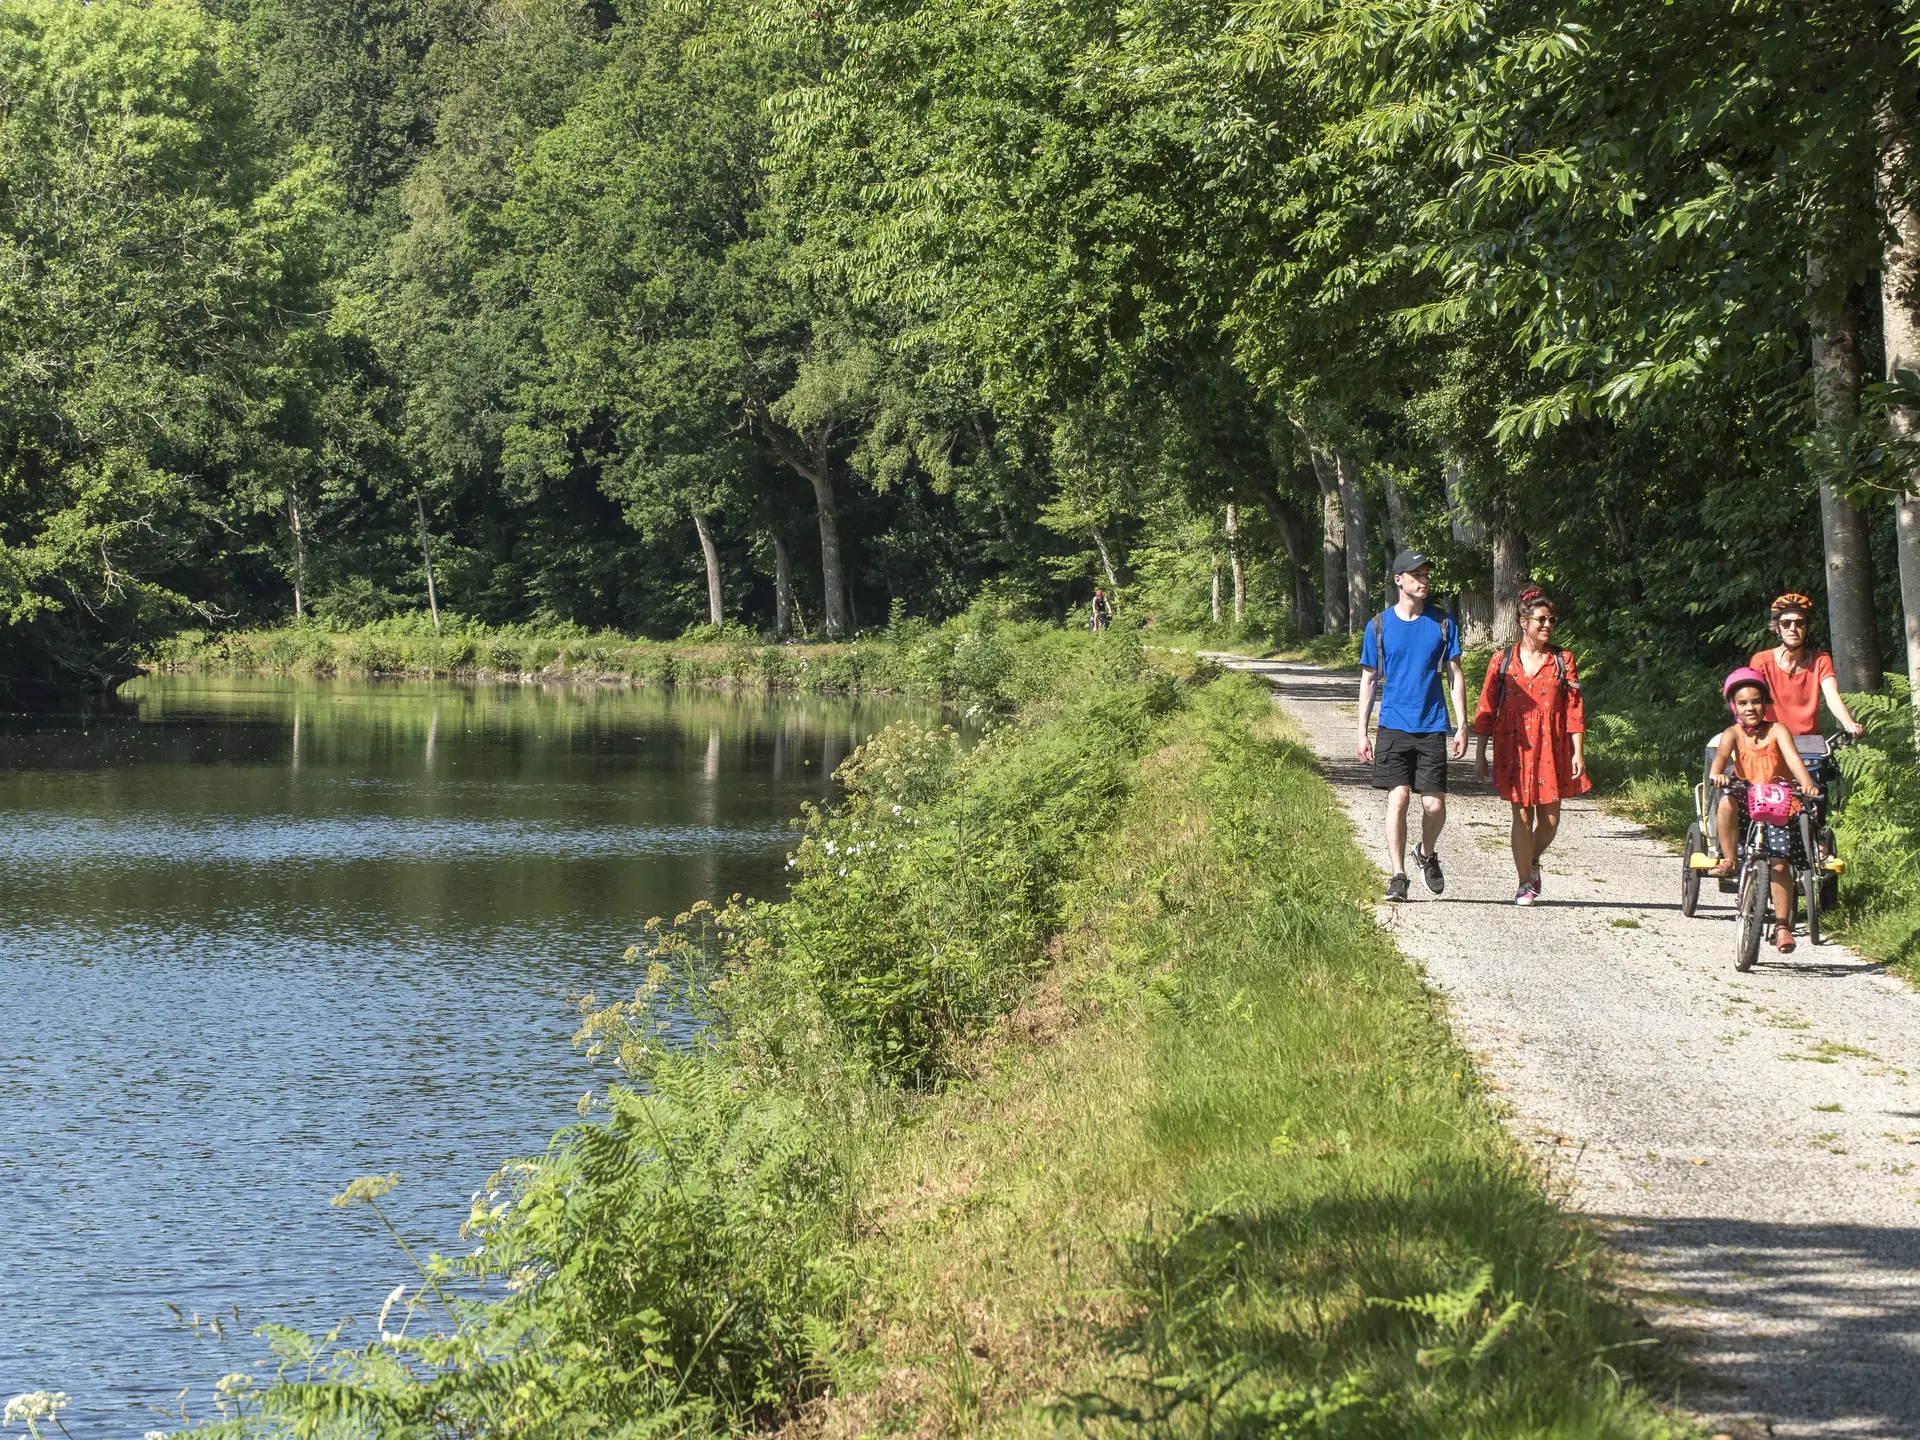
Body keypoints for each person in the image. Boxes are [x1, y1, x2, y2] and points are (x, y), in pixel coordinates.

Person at [1356, 551, 1467, 902]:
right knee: (1399, 797)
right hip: (1393, 725)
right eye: (1415, 574)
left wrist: (1462, 725)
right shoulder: (1378, 625)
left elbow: (1455, 675)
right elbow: (1369, 679)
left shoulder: (1443, 623)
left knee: (1434, 806)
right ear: (1398, 580)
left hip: (1432, 724)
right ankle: (1398, 875)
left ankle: (1425, 852)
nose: (1423, 580)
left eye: (1426, 574)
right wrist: (1362, 731)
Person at [1471, 587, 1590, 905]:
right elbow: (1486, 708)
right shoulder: (1502, 661)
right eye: (1541, 619)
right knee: (1522, 817)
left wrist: (1579, 751)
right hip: (1515, 748)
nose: (1548, 624)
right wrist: (1480, 753)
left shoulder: (1563, 660)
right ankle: (1525, 882)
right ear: (1523, 621)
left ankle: (1532, 859)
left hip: (1553, 747)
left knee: (1550, 820)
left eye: (1552, 619)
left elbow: (1574, 710)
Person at [1706, 667, 1821, 954]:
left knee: (1780, 862)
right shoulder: (1732, 733)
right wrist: (1718, 773)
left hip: (1779, 799)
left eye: (1756, 701)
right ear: (1734, 706)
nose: (1750, 708)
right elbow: (1721, 757)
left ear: (1765, 703)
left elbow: (1793, 760)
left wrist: (1807, 784)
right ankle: (1731, 859)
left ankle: (1783, 925)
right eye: (1743, 703)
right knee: (1725, 801)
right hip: (1747, 797)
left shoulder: (1777, 730)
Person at [1748, 593, 1865, 739]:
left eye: (1800, 623)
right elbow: (1749, 700)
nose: (1793, 628)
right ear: (1777, 628)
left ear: (1807, 627)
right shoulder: (1761, 661)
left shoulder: (1820, 660)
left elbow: (1832, 695)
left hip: (1809, 742)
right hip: (1771, 740)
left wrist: (1849, 724)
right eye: (1786, 623)